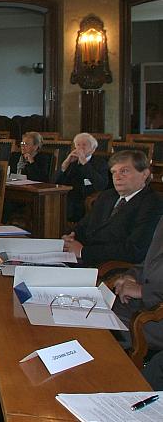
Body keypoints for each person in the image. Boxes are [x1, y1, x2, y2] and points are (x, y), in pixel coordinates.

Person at [62, 150, 163, 266]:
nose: (117, 177)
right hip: (82, 259)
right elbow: (84, 226)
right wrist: (71, 236)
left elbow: (134, 249)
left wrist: (83, 252)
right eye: (114, 172)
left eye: (124, 171)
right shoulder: (107, 196)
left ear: (145, 174)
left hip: (112, 267)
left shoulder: (153, 203)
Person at [112, 216, 163, 359]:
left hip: (155, 317)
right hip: (141, 305)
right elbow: (150, 261)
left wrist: (142, 291)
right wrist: (131, 276)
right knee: (88, 312)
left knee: (102, 331)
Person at [55, 132, 109, 223]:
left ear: (92, 149)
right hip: (68, 196)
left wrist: (85, 163)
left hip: (86, 198)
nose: (80, 148)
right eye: (78, 145)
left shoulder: (100, 163)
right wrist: (65, 165)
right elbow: (56, 183)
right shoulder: (72, 162)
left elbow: (101, 185)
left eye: (84, 145)